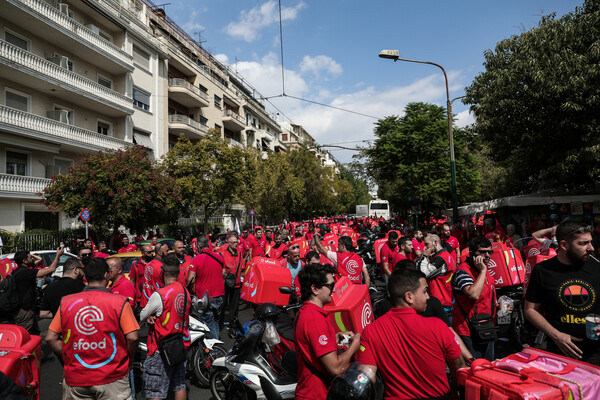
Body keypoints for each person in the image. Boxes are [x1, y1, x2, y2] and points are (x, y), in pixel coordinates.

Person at [355, 268, 462, 400]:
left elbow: (365, 377)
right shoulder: (437, 326)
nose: (428, 296)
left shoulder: (370, 331)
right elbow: (458, 365)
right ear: (409, 297)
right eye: (424, 291)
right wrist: (456, 389)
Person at [45, 258, 139, 399]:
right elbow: (132, 337)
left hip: (77, 378)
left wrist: (69, 354)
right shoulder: (119, 302)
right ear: (106, 275)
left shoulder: (67, 302)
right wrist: (129, 358)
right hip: (112, 377)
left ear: (85, 276)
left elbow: (50, 338)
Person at [525, 221, 600, 365]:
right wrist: (556, 335)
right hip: (560, 354)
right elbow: (530, 310)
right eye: (583, 243)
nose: (591, 248)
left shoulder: (597, 267)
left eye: (591, 242)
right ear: (564, 245)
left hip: (596, 354)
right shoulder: (543, 271)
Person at [295, 264, 361, 400]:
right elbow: (335, 368)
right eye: (330, 286)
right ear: (315, 289)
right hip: (316, 394)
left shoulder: (305, 312)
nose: (334, 290)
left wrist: (335, 337)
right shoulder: (314, 319)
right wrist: (355, 345)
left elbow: (311, 345)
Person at [140, 254, 190, 400]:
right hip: (181, 344)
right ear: (178, 272)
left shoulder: (160, 294)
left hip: (161, 348)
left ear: (162, 272)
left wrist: (149, 316)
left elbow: (143, 315)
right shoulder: (184, 290)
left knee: (155, 391)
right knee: (179, 384)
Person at [452, 237, 497, 361]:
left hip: (486, 326)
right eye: (482, 252)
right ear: (472, 253)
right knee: (474, 370)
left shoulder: (484, 270)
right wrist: (483, 271)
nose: (487, 256)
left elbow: (488, 295)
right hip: (468, 331)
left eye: (490, 252)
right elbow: (473, 294)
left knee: (489, 368)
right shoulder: (463, 272)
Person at [9, 248, 62, 334]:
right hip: (24, 311)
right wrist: (58, 255)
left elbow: (38, 260)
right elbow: (51, 269)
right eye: (30, 257)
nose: (32, 259)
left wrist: (29, 254)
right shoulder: (25, 273)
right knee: (24, 336)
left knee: (35, 334)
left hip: (27, 310)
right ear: (24, 261)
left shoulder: (17, 271)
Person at [188, 237, 225, 339]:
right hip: (219, 295)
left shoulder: (196, 259)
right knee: (216, 322)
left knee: (209, 323)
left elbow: (190, 280)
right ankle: (217, 343)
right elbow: (224, 273)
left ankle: (214, 348)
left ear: (198, 247)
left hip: (205, 297)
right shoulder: (219, 257)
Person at [416, 234, 455, 318]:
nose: (425, 248)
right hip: (446, 298)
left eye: (427, 244)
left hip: (441, 300)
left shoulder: (441, 258)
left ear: (435, 242)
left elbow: (423, 273)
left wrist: (425, 256)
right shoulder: (446, 255)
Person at [221, 234, 244, 327]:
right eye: (234, 242)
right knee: (223, 305)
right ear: (229, 243)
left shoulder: (239, 253)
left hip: (237, 283)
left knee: (234, 305)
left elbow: (242, 267)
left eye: (236, 242)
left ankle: (233, 322)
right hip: (226, 283)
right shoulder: (223, 254)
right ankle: (220, 323)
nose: (236, 244)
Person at [141, 243, 169, 308]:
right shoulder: (162, 267)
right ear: (160, 253)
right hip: (158, 303)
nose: (169, 252)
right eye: (167, 251)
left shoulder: (148, 265)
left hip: (147, 302)